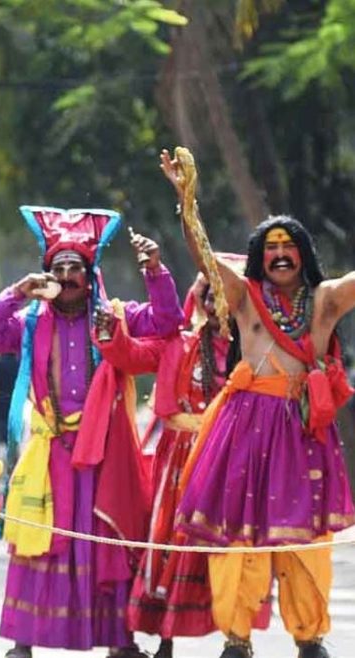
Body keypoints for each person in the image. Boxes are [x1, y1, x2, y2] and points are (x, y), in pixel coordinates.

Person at [161, 148, 355, 658]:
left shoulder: (325, 301)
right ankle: (236, 637)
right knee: (236, 539)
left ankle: (309, 637)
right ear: (258, 256)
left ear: (304, 253)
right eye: (271, 248)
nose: (281, 255)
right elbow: (204, 256)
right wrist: (186, 201)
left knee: (304, 539)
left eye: (289, 246)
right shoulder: (244, 297)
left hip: (302, 430)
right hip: (245, 427)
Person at [0, 206, 183, 658]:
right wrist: (17, 292)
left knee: (108, 541)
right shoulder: (29, 323)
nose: (66, 276)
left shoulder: (115, 317)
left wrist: (155, 271)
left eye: (75, 268)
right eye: (58, 269)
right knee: (40, 540)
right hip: (50, 453)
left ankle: (120, 643)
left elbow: (169, 323)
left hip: (104, 453)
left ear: (90, 276)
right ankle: (22, 644)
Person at [95, 268, 269, 658]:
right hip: (181, 458)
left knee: (233, 546)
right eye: (208, 293)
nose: (215, 302)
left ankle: (237, 639)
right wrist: (111, 332)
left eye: (224, 294)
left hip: (232, 457)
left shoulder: (256, 349)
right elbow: (132, 356)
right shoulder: (180, 343)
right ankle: (166, 640)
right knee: (171, 543)